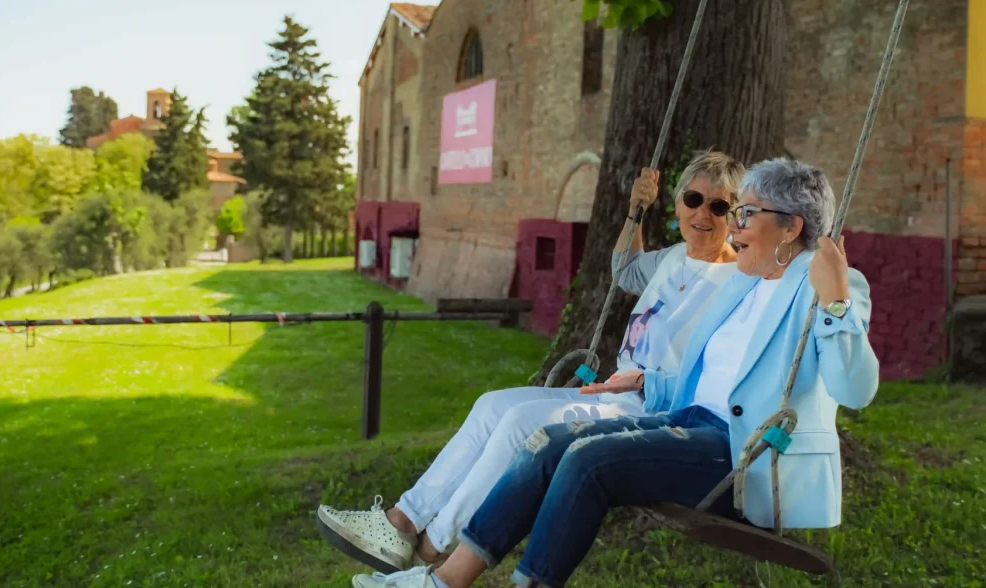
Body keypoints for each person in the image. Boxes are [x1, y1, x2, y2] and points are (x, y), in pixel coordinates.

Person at [351, 157, 880, 588]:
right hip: (689, 420)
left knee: (589, 457)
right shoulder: (744, 283)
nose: (731, 226)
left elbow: (856, 390)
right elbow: (711, 379)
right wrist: (647, 381)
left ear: (791, 226)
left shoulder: (829, 285)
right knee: (549, 439)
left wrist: (835, 303)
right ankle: (443, 582)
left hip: (745, 456)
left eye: (743, 214)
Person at [317, 152, 745, 572]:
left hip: (652, 407)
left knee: (523, 424)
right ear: (678, 203)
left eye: (719, 205)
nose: (703, 213)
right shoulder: (672, 257)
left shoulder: (741, 280)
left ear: (735, 214)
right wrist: (636, 212)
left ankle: (432, 548)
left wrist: (641, 383)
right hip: (611, 391)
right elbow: (624, 267)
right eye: (693, 199)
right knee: (492, 405)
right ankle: (402, 521)